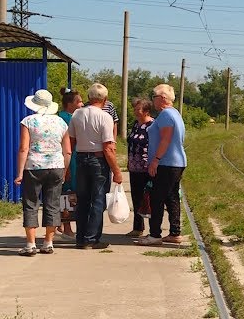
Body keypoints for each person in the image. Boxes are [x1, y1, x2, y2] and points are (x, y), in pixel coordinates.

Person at [14, 89, 71, 256]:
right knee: (52, 204)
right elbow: (67, 151)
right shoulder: (61, 123)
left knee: (31, 204)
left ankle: (30, 244)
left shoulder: (28, 121)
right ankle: (48, 242)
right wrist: (64, 171)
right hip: (56, 166)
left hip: (33, 166)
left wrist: (19, 173)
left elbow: (24, 148)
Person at [67, 82, 123, 249]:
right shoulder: (104, 117)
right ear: (104, 99)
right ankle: (92, 239)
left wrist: (68, 166)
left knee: (83, 200)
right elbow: (108, 147)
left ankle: (80, 238)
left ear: (90, 97)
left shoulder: (77, 114)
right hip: (98, 161)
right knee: (98, 200)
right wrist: (117, 171)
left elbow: (71, 142)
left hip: (81, 159)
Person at [138, 84, 187, 246]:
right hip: (176, 162)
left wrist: (156, 160)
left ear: (163, 98)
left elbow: (166, 139)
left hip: (166, 163)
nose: (153, 100)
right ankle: (175, 232)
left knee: (157, 197)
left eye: (155, 97)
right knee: (171, 196)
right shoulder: (175, 113)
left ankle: (155, 234)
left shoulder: (165, 115)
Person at [57, 87, 84, 238]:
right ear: (70, 104)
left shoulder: (71, 116)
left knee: (68, 192)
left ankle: (61, 225)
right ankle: (66, 226)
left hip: (73, 158)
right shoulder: (65, 118)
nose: (81, 104)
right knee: (67, 193)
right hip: (68, 159)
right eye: (78, 101)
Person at [126, 97, 154, 237]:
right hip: (134, 167)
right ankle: (138, 227)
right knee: (136, 197)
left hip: (146, 167)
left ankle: (154, 229)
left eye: (138, 110)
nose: (135, 112)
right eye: (135, 109)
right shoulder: (136, 125)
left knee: (148, 198)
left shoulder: (152, 126)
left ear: (146, 111)